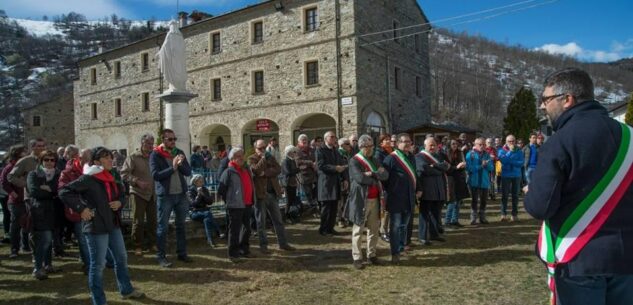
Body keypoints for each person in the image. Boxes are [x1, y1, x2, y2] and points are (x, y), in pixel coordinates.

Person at [524, 67, 633, 305]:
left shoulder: (560, 141)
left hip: (580, 259)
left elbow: (540, 207)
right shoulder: (630, 136)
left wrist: (530, 192)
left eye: (546, 99)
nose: (542, 106)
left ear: (567, 100)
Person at [59, 147, 144, 305]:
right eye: (106, 158)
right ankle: (99, 301)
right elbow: (64, 191)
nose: (110, 160)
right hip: (96, 227)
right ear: (96, 162)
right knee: (98, 265)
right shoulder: (88, 178)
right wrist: (81, 208)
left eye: (110, 157)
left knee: (121, 258)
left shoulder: (113, 175)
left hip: (113, 224)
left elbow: (122, 193)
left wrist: (120, 202)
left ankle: (126, 289)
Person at [150, 129, 193, 267]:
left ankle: (182, 253)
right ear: (163, 140)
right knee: (162, 227)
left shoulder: (178, 152)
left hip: (180, 194)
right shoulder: (155, 154)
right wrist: (173, 167)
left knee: (181, 225)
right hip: (166, 196)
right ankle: (161, 257)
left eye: (174, 139)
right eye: (170, 139)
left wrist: (180, 165)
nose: (173, 142)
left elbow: (188, 171)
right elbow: (156, 175)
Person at [346, 135, 388, 269]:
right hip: (361, 199)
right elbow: (360, 178)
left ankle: (371, 254)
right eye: (369, 147)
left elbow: (385, 175)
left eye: (372, 146)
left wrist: (372, 174)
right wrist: (375, 177)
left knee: (374, 229)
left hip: (375, 199)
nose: (372, 149)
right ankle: (357, 257)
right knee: (358, 229)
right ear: (362, 147)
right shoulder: (354, 161)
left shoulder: (374, 160)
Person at [248, 139, 294, 252]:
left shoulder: (271, 157)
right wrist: (263, 159)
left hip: (272, 193)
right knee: (261, 222)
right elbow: (256, 170)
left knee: (278, 220)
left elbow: (278, 169)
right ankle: (263, 247)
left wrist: (266, 173)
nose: (263, 150)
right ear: (255, 149)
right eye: (260, 148)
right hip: (261, 194)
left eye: (264, 147)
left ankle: (283, 244)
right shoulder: (252, 158)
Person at [382, 133, 422, 263]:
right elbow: (385, 180)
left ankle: (400, 247)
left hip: (409, 197)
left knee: (404, 226)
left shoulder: (411, 157)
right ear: (398, 143)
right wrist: (393, 190)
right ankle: (395, 254)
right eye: (404, 142)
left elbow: (414, 174)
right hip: (396, 198)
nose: (407, 144)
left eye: (409, 142)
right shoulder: (391, 159)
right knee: (395, 227)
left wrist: (418, 188)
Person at [7, 138, 46, 257]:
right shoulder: (25, 161)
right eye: (38, 146)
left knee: (38, 226)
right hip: (27, 198)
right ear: (32, 147)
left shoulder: (47, 159)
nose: (41, 148)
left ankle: (38, 251)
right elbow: (11, 177)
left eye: (43, 146)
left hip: (43, 198)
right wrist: (27, 184)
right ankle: (15, 249)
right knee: (19, 224)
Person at [27, 150, 62, 280]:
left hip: (55, 212)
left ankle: (47, 265)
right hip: (39, 211)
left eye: (52, 160)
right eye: (46, 159)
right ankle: (37, 268)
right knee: (44, 240)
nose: (49, 162)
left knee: (50, 239)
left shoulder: (59, 174)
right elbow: (34, 192)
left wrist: (50, 190)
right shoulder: (33, 174)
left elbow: (60, 190)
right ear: (41, 161)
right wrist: (52, 192)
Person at [121, 134, 157, 256]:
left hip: (153, 193)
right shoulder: (133, 157)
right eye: (147, 143)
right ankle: (138, 245)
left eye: (152, 144)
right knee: (138, 221)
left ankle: (152, 244)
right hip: (138, 193)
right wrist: (137, 181)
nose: (150, 146)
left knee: (153, 220)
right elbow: (124, 174)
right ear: (142, 143)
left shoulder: (154, 157)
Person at [218, 147, 254, 263]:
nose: (241, 157)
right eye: (238, 156)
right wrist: (230, 200)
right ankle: (233, 254)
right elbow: (221, 190)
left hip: (247, 203)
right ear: (232, 158)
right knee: (234, 230)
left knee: (247, 229)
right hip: (235, 205)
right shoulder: (228, 171)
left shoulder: (245, 169)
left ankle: (244, 249)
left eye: (242, 155)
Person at [58, 145, 90, 272]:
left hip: (92, 209)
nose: (90, 162)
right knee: (82, 239)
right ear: (79, 157)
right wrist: (80, 207)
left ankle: (88, 259)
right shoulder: (68, 172)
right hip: (78, 210)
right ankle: (88, 265)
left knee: (91, 237)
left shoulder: (93, 170)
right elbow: (63, 191)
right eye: (88, 159)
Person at [416, 137, 449, 245]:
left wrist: (435, 166)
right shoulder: (420, 156)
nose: (433, 147)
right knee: (425, 214)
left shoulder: (437, 156)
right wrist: (439, 169)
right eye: (430, 145)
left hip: (438, 189)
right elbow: (425, 169)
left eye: (434, 145)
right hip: (427, 190)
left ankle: (434, 234)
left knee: (436, 214)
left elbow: (446, 166)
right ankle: (423, 236)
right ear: (425, 146)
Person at [315, 131, 348, 236]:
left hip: (336, 182)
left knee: (334, 207)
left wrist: (345, 179)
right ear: (326, 139)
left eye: (335, 137)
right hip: (326, 183)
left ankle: (330, 227)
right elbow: (321, 166)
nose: (334, 139)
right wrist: (335, 168)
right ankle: (323, 229)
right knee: (326, 208)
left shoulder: (335, 151)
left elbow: (341, 164)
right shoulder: (320, 150)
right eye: (332, 137)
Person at [1, 145, 27, 256]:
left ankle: (25, 246)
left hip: (27, 199)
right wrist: (13, 193)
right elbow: (4, 182)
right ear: (18, 153)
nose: (26, 153)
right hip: (16, 201)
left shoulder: (26, 165)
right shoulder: (10, 167)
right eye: (24, 151)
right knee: (16, 225)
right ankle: (14, 249)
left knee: (27, 224)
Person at [188, 174, 223, 247]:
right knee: (208, 213)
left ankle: (210, 240)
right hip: (194, 212)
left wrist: (203, 194)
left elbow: (210, 202)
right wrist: (198, 195)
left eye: (202, 181)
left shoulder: (204, 189)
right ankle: (219, 231)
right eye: (200, 182)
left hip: (204, 211)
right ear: (195, 182)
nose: (202, 183)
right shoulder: (190, 191)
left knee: (207, 220)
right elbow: (193, 204)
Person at [466, 138, 494, 225]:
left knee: (484, 201)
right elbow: (469, 169)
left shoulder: (487, 154)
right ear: (475, 144)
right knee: (474, 200)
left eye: (483, 145)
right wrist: (481, 166)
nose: (482, 146)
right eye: (480, 144)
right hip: (474, 182)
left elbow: (491, 168)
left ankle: (482, 217)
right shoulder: (470, 154)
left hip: (484, 182)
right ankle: (473, 218)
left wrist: (487, 164)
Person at [497, 135, 524, 222]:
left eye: (513, 141)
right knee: (505, 195)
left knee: (515, 196)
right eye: (509, 141)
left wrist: (510, 161)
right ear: (506, 142)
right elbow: (503, 161)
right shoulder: (501, 150)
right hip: (506, 175)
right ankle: (503, 214)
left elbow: (521, 163)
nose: (511, 143)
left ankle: (514, 214)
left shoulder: (519, 151)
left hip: (516, 175)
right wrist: (510, 152)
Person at [445, 139, 469, 227]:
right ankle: (447, 221)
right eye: (453, 143)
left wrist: (463, 166)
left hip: (459, 179)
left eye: (456, 144)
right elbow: (447, 168)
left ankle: (455, 220)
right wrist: (457, 167)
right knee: (452, 201)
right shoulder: (446, 154)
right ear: (449, 145)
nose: (455, 145)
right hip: (451, 179)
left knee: (459, 201)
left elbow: (463, 165)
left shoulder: (460, 153)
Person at [375, 134, 393, 242]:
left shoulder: (392, 151)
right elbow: (381, 169)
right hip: (384, 184)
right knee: (385, 209)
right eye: (386, 140)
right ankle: (383, 231)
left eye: (389, 139)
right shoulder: (379, 154)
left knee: (390, 208)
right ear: (381, 143)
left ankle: (387, 229)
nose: (389, 141)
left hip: (392, 183)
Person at [296, 134, 317, 211]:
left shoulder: (312, 150)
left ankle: (313, 205)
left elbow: (316, 158)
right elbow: (298, 161)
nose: (305, 141)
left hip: (313, 174)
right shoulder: (297, 150)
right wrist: (311, 163)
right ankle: (311, 207)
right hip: (304, 175)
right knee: (308, 192)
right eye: (302, 140)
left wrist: (315, 164)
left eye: (305, 140)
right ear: (299, 142)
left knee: (316, 190)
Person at [281, 145, 301, 223]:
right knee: (288, 200)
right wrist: (297, 170)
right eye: (294, 152)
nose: (295, 153)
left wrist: (296, 169)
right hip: (287, 183)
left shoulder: (292, 160)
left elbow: (294, 170)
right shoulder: (285, 161)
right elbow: (287, 172)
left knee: (292, 200)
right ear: (289, 153)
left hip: (293, 182)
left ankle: (291, 215)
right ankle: (286, 217)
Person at [336, 138, 352, 228]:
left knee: (346, 200)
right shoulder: (338, 154)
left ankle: (346, 217)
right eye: (347, 144)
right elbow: (341, 168)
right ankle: (340, 219)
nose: (349, 145)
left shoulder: (347, 154)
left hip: (348, 179)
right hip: (342, 180)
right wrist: (344, 179)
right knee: (341, 201)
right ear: (341, 145)